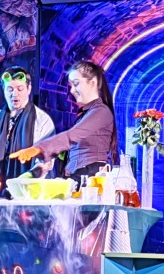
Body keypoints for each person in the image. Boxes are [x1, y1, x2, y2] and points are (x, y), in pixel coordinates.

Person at [9, 60, 119, 188]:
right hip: (80, 174)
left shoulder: (101, 111)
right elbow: (70, 144)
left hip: (91, 177)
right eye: (71, 85)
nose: (72, 90)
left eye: (76, 84)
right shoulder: (87, 114)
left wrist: (38, 148)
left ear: (92, 83)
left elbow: (72, 136)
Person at [0, 65, 55, 197]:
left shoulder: (42, 121)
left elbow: (46, 161)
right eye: (9, 89)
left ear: (29, 89)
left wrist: (25, 179)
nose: (14, 94)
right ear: (3, 90)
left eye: (20, 89)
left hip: (31, 195)